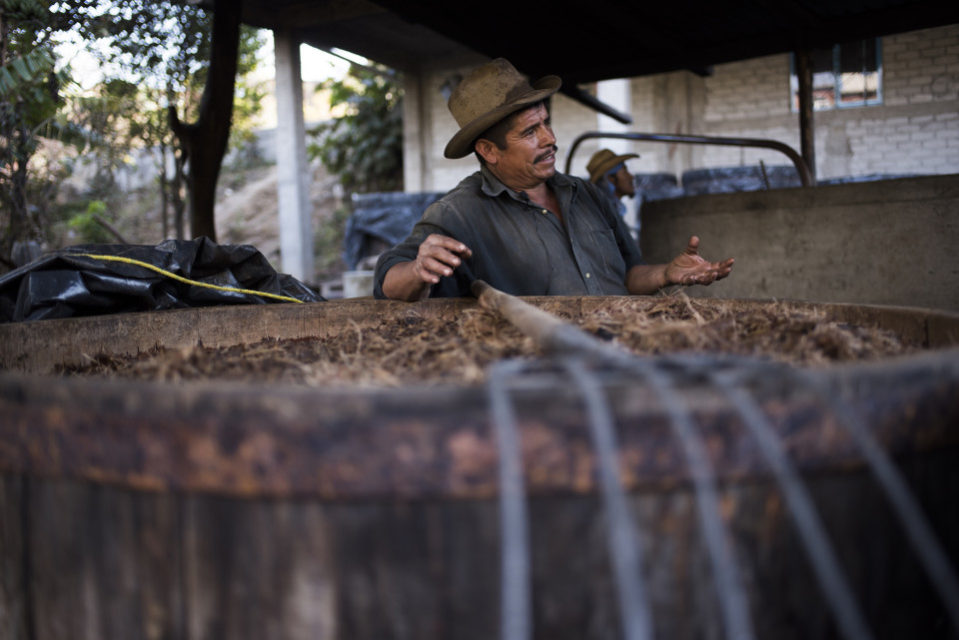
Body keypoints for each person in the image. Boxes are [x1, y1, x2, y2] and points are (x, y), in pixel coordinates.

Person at [374, 58, 733, 302]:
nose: (549, 139)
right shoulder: (460, 214)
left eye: (546, 122)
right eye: (531, 131)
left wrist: (667, 274)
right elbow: (388, 280)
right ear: (489, 150)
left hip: (626, 360)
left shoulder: (585, 194)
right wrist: (419, 269)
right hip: (547, 385)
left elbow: (628, 275)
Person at [586, 148, 638, 217]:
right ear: (611, 179)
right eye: (625, 172)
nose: (631, 177)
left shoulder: (614, 212)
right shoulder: (604, 216)